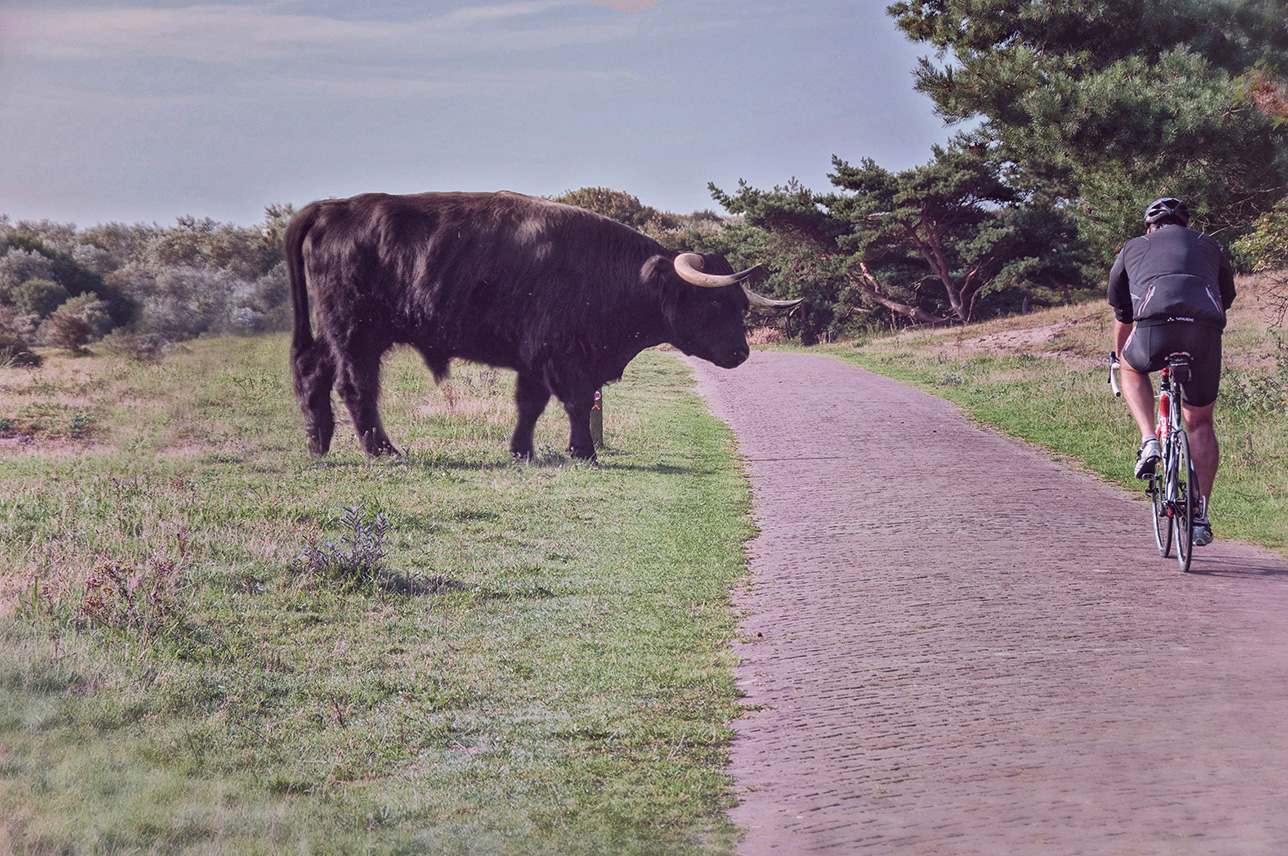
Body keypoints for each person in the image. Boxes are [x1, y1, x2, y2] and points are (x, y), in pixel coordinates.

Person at [1108, 197, 1236, 547]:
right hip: (1203, 331)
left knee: (1132, 368)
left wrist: (1119, 357)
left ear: (1150, 227)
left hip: (1154, 328)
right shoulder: (1209, 244)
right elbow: (1226, 297)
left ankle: (1150, 439)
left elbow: (1123, 314)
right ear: (1186, 224)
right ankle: (1199, 517)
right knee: (1200, 422)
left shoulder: (1133, 247)